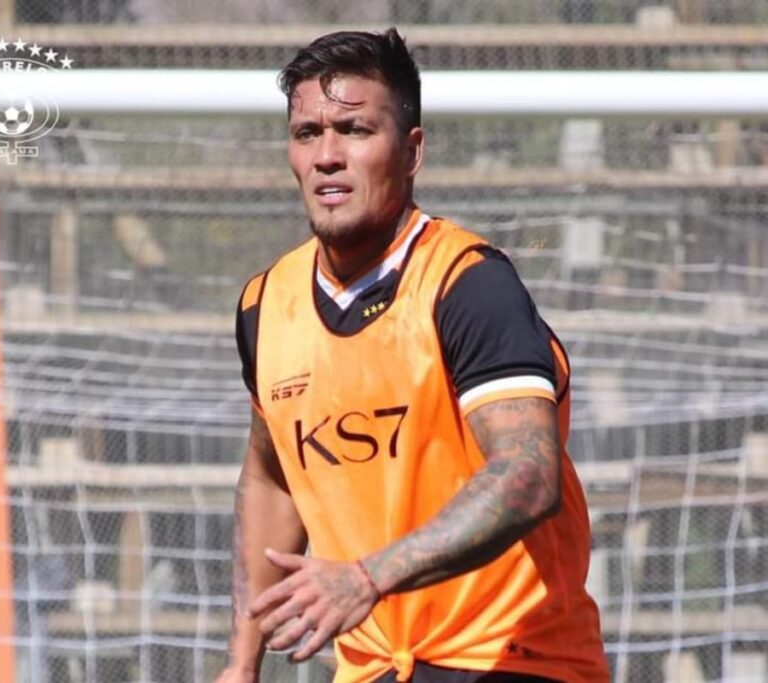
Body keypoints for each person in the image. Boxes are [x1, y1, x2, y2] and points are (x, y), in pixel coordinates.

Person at [219, 28, 609, 683]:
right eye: (308, 133)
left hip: (517, 661)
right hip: (375, 669)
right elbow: (272, 474)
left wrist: (367, 577)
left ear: (411, 150)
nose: (328, 155)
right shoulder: (267, 305)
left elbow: (528, 473)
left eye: (355, 130)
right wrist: (240, 661)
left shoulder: (468, 283)